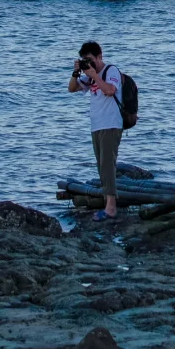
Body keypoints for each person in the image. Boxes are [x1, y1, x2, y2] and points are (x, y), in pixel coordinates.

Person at [68, 40, 122, 220]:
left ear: (100, 56)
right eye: (84, 60)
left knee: (108, 164)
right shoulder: (89, 76)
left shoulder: (110, 71)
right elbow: (72, 89)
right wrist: (77, 72)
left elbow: (110, 90)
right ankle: (108, 202)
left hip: (111, 124)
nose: (88, 63)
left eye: (90, 59)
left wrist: (95, 75)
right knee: (101, 165)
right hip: (96, 125)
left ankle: (111, 208)